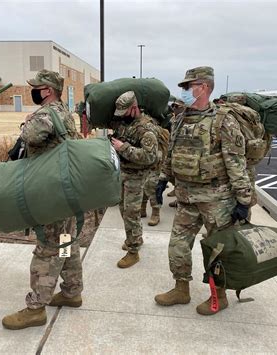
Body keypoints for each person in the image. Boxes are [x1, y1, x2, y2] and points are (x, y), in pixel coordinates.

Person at [154, 66, 252, 315]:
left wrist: (243, 200)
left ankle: (219, 296)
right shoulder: (179, 119)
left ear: (205, 87)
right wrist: (163, 179)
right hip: (186, 197)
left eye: (189, 86)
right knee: (177, 244)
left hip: (216, 200)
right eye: (184, 87)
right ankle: (181, 288)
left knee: (216, 250)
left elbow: (236, 162)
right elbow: (171, 153)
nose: (185, 91)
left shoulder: (223, 121)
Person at [2, 70, 83, 330]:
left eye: (36, 87)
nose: (33, 91)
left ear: (47, 90)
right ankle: (71, 292)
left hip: (51, 193)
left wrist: (27, 122)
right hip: (66, 190)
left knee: (48, 247)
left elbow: (31, 137)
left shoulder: (45, 114)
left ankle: (36, 308)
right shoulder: (65, 113)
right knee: (66, 240)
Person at [110, 91, 159, 268]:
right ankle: (135, 238)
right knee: (125, 211)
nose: (122, 116)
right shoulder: (125, 124)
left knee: (131, 213)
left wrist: (124, 148)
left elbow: (149, 157)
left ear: (134, 108)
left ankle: (133, 252)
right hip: (124, 173)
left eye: (125, 111)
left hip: (137, 177)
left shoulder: (147, 129)